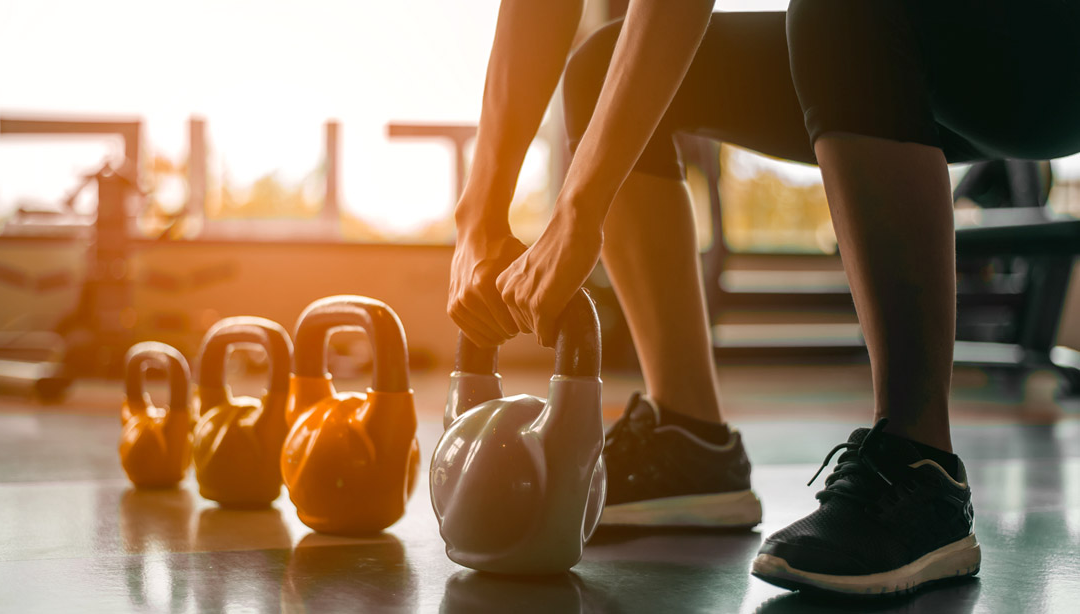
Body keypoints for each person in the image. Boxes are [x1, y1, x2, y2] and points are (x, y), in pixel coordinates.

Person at [447, 0, 1080, 597]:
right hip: (895, 43)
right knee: (600, 70)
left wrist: (577, 213)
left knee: (840, 8)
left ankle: (921, 470)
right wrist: (478, 218)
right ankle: (689, 442)